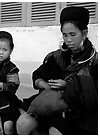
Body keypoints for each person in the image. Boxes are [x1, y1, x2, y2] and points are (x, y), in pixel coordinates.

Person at [17, 6, 98, 135]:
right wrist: (43, 84)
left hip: (77, 112)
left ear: (84, 33)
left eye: (73, 34)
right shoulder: (56, 56)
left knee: (56, 130)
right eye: (65, 35)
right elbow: (38, 74)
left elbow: (93, 96)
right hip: (52, 106)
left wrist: (68, 86)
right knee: (23, 123)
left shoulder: (93, 61)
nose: (68, 40)